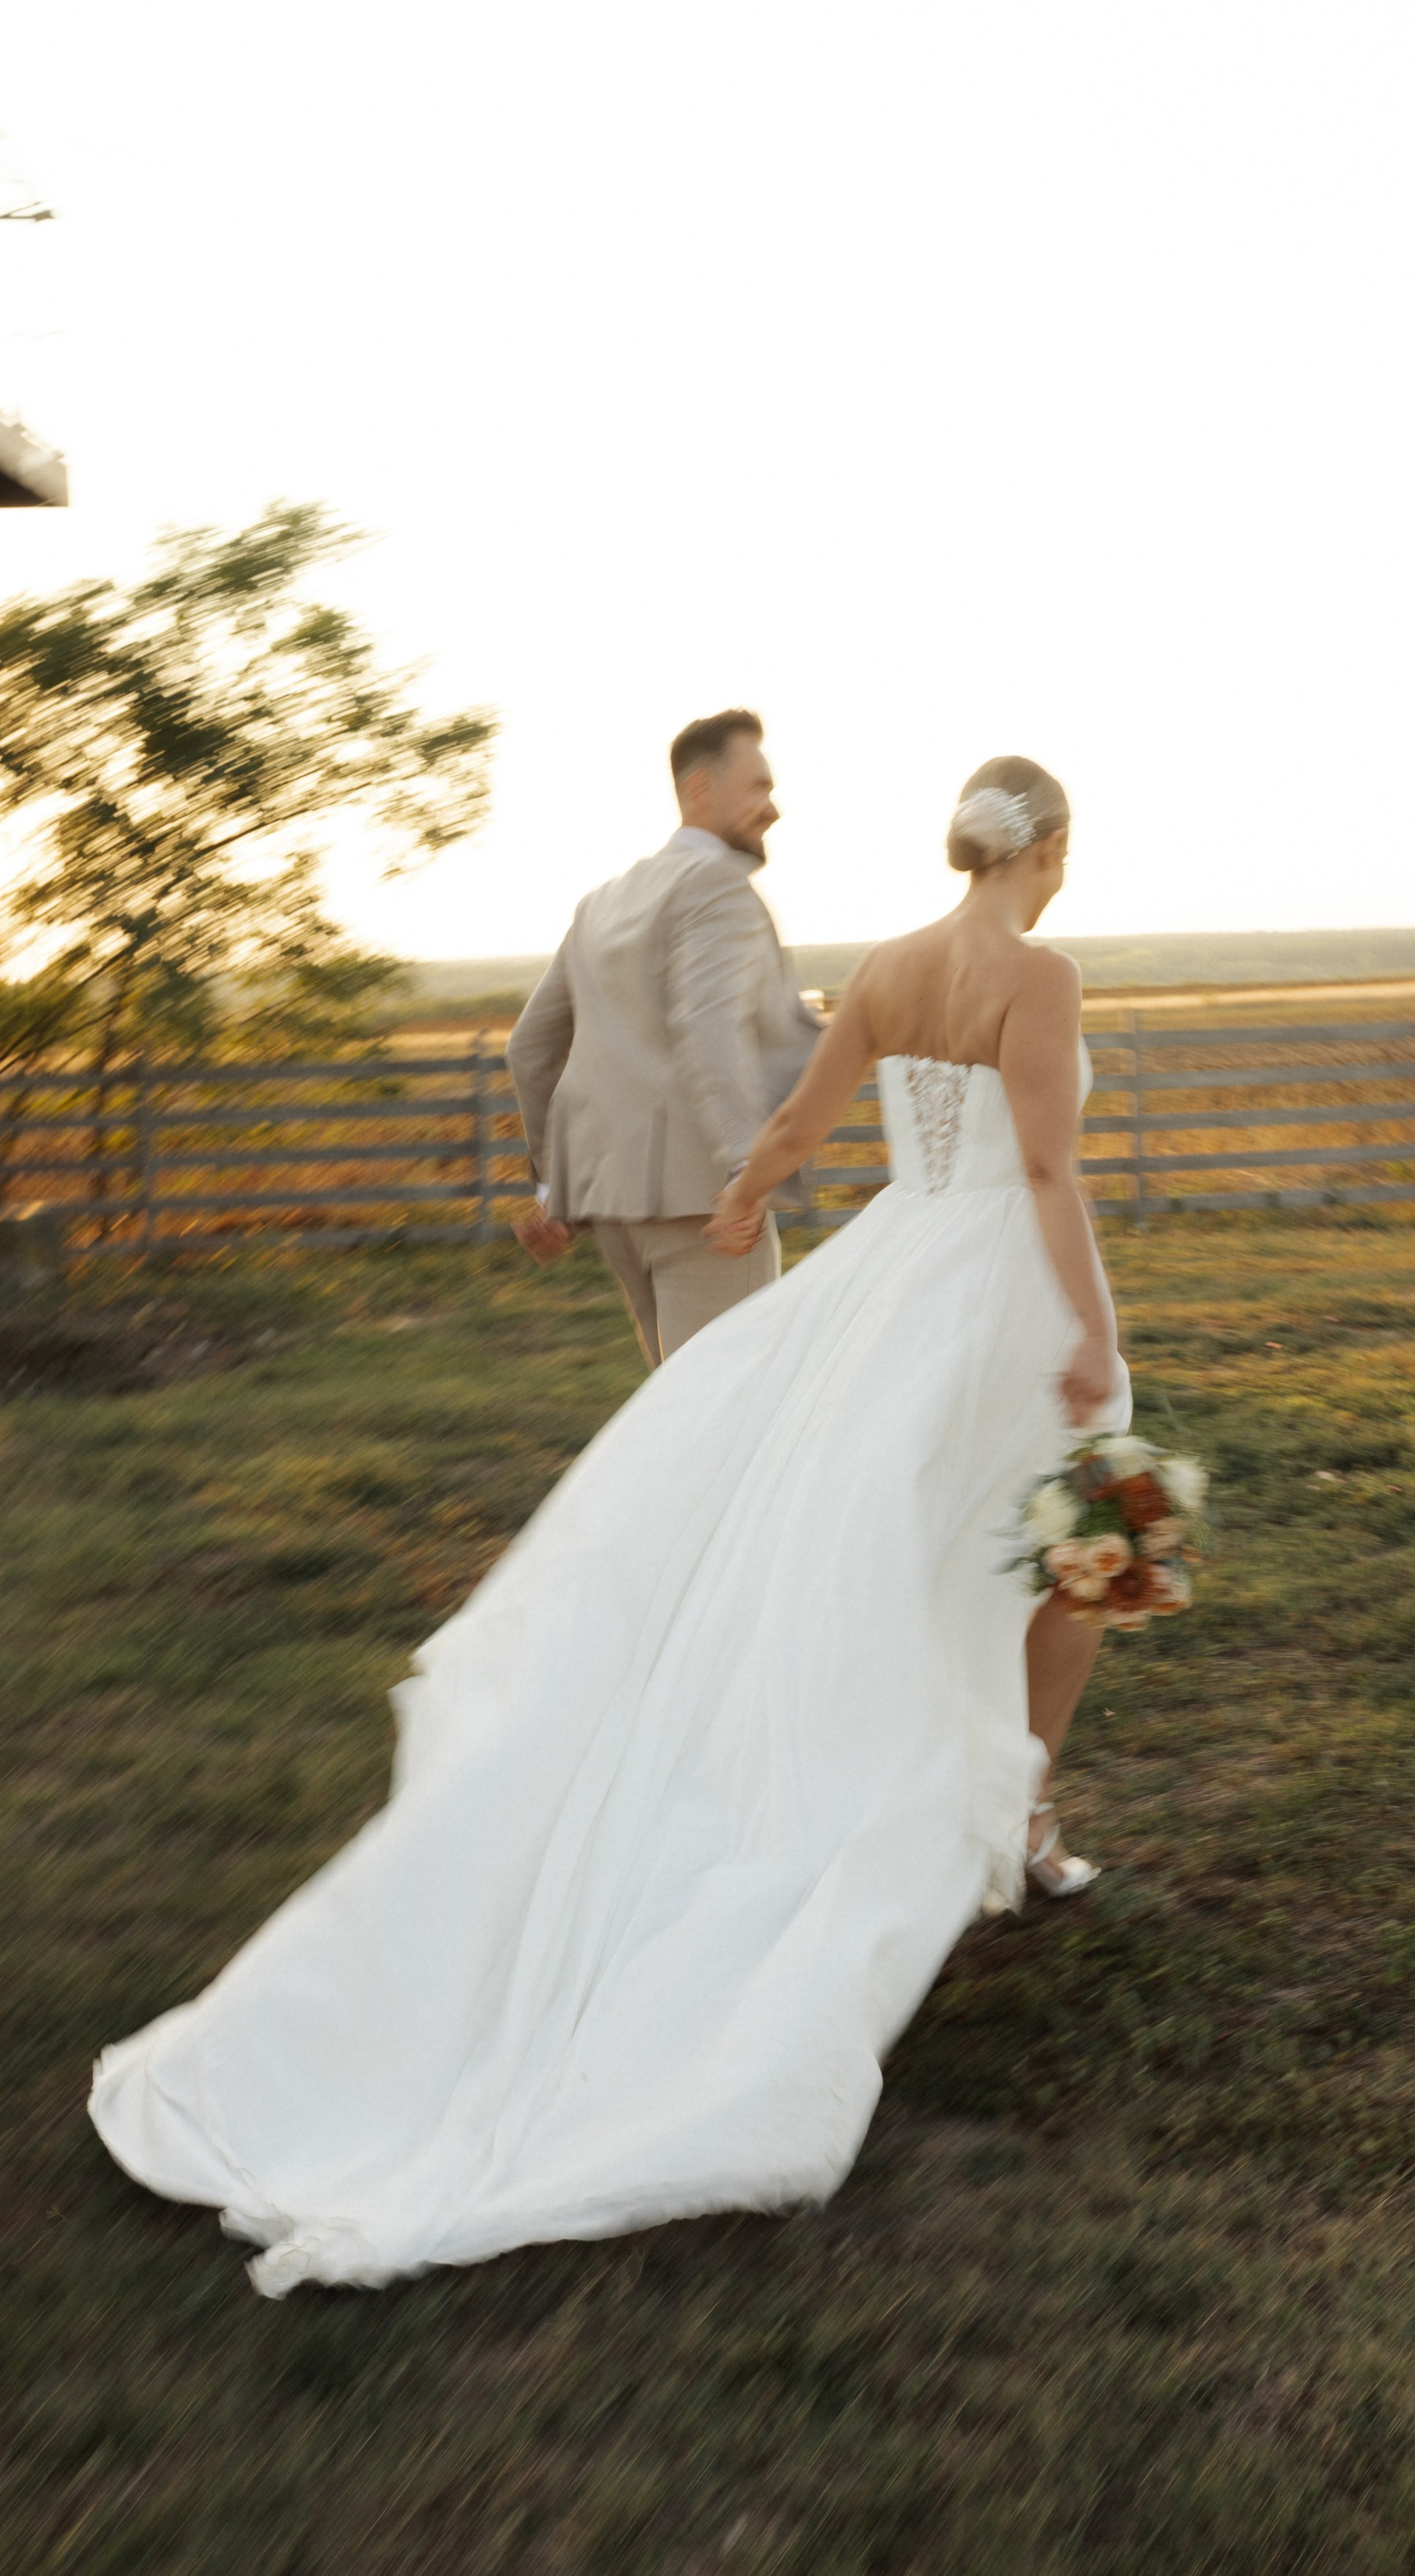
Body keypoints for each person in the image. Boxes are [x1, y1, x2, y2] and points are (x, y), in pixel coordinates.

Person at [89, 756, 1126, 2297]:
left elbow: (797, 1126)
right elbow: (1044, 1167)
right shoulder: (1030, 976)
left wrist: (743, 1203)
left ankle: (1010, 1814)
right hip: (993, 1298)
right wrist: (1093, 1330)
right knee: (1088, 1553)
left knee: (931, 1557)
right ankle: (1019, 1815)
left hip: (878, 1284)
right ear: (1044, 849)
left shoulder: (892, 970)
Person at [504, 708, 823, 1365]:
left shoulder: (604, 900)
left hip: (617, 1210)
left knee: (677, 1419)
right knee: (724, 1420)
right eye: (758, 786)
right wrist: (746, 1173)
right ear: (701, 789)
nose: (774, 808)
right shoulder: (718, 888)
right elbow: (709, 1033)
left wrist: (553, 1188)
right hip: (707, 1209)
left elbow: (530, 1050)